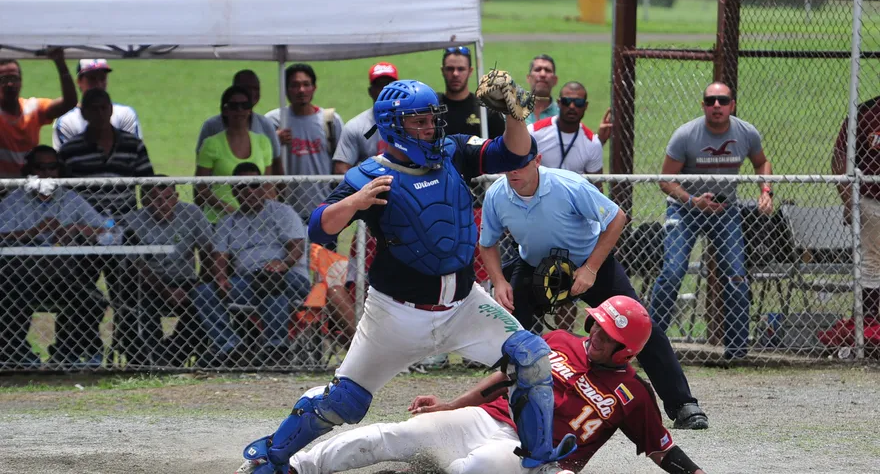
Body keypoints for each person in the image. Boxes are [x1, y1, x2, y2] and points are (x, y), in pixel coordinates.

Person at [236, 76, 577, 474]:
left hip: (464, 305)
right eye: (418, 121)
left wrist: (515, 116)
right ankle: (271, 458)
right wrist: (355, 202)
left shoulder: (452, 152)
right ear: (393, 125)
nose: (429, 128)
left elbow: (515, 154)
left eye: (432, 119)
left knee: (531, 356)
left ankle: (538, 463)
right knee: (344, 402)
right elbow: (319, 228)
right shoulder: (370, 175)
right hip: (396, 315)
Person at [286, 296, 706, 474]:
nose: (595, 333)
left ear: (625, 351)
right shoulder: (559, 341)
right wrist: (452, 405)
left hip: (540, 459)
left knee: (474, 469)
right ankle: (294, 466)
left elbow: (661, 448)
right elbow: (504, 377)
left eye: (607, 335)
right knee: (394, 435)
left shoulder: (634, 394)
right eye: (596, 323)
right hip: (489, 419)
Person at [478, 146, 709, 430]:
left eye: (521, 164)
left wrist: (590, 269)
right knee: (513, 331)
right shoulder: (496, 195)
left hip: (590, 263)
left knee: (639, 324)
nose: (513, 171)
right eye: (507, 164)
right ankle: (501, 408)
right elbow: (487, 243)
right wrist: (500, 282)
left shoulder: (568, 185)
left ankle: (683, 404)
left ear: (537, 161)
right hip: (536, 267)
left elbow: (617, 217)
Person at [650, 81, 773, 361]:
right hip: (685, 210)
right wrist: (693, 201)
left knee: (736, 275)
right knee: (673, 272)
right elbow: (665, 180)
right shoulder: (686, 135)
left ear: (732, 105)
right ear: (703, 105)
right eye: (710, 101)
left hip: (725, 210)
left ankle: (737, 352)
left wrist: (766, 191)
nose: (716, 105)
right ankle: (651, 345)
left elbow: (761, 162)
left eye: (723, 100)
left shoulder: (746, 132)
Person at [0, 146, 107, 368]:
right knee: (12, 299)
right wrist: (33, 232)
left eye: (52, 167)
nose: (47, 173)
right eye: (40, 167)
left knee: (93, 300)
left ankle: (66, 352)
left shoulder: (71, 198)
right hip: (22, 278)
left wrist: (75, 228)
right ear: (29, 170)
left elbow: (109, 228)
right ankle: (15, 353)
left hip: (64, 276)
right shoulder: (14, 200)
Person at [196, 163, 311, 365]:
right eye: (242, 186)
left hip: (290, 277)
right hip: (248, 281)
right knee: (204, 293)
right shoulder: (227, 222)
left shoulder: (283, 212)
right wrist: (221, 277)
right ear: (234, 190)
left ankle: (276, 348)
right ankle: (232, 349)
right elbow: (220, 257)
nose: (249, 191)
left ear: (264, 187)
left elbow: (296, 246)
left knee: (270, 281)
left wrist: (282, 264)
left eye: (254, 185)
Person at [118, 178, 215, 367]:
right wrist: (165, 290)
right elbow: (137, 265)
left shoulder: (192, 214)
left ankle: (172, 356)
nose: (162, 204)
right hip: (148, 282)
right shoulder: (133, 221)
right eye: (156, 199)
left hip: (185, 279)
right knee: (137, 303)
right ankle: (151, 359)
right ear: (145, 200)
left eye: (168, 198)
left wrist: (199, 284)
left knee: (206, 300)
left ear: (176, 197)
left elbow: (208, 252)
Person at [57, 87, 154, 219]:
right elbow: (63, 192)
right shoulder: (69, 151)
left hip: (127, 224)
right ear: (84, 113)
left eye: (104, 108)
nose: (100, 114)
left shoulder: (133, 145)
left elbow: (148, 184)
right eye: (94, 109)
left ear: (111, 110)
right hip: (85, 225)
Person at [265, 63, 344, 220]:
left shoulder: (330, 121)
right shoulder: (274, 121)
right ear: (286, 89)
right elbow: (261, 159)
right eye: (295, 85)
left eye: (306, 84)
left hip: (324, 209)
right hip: (285, 210)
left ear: (314, 87)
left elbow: (342, 162)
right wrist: (275, 141)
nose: (301, 90)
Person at [832, 92, 880, 321]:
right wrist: (850, 200)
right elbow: (839, 157)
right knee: (872, 261)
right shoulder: (865, 113)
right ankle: (868, 322)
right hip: (871, 198)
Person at [195, 85, 274, 223]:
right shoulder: (211, 144)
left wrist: (269, 212)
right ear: (225, 110)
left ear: (250, 110)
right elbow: (201, 188)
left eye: (245, 105)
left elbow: (268, 185)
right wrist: (229, 209)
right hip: (219, 219)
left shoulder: (263, 142)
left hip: (255, 219)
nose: (239, 110)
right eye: (234, 106)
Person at [0, 50, 77, 178]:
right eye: (3, 79)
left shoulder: (32, 108)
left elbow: (69, 102)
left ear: (21, 81)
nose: (10, 84)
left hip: (28, 187)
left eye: (14, 78)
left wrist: (60, 64)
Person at [196, 69, 284, 175]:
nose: (240, 110)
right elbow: (201, 173)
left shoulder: (266, 127)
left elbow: (276, 167)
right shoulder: (210, 127)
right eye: (234, 106)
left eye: (256, 89)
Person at [53, 59, 142, 150]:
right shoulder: (66, 121)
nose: (99, 85)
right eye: (92, 79)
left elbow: (133, 151)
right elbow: (66, 156)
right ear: (79, 82)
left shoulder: (125, 114)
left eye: (102, 78)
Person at [528, 81, 609, 177]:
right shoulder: (534, 132)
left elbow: (596, 184)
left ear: (585, 106)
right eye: (566, 101)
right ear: (559, 103)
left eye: (578, 102)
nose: (572, 106)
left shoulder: (593, 143)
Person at [332, 62, 399, 174]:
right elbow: (341, 170)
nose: (385, 90)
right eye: (380, 85)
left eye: (389, 85)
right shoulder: (355, 127)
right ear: (370, 91)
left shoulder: (411, 121)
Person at [438, 46, 505, 137]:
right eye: (450, 69)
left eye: (461, 69)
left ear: (470, 71)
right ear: (442, 71)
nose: (455, 74)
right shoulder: (432, 108)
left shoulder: (485, 109)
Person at [524, 54, 559, 126]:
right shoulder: (513, 113)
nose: (543, 74)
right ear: (528, 78)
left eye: (548, 70)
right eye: (537, 69)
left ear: (555, 80)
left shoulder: (562, 115)